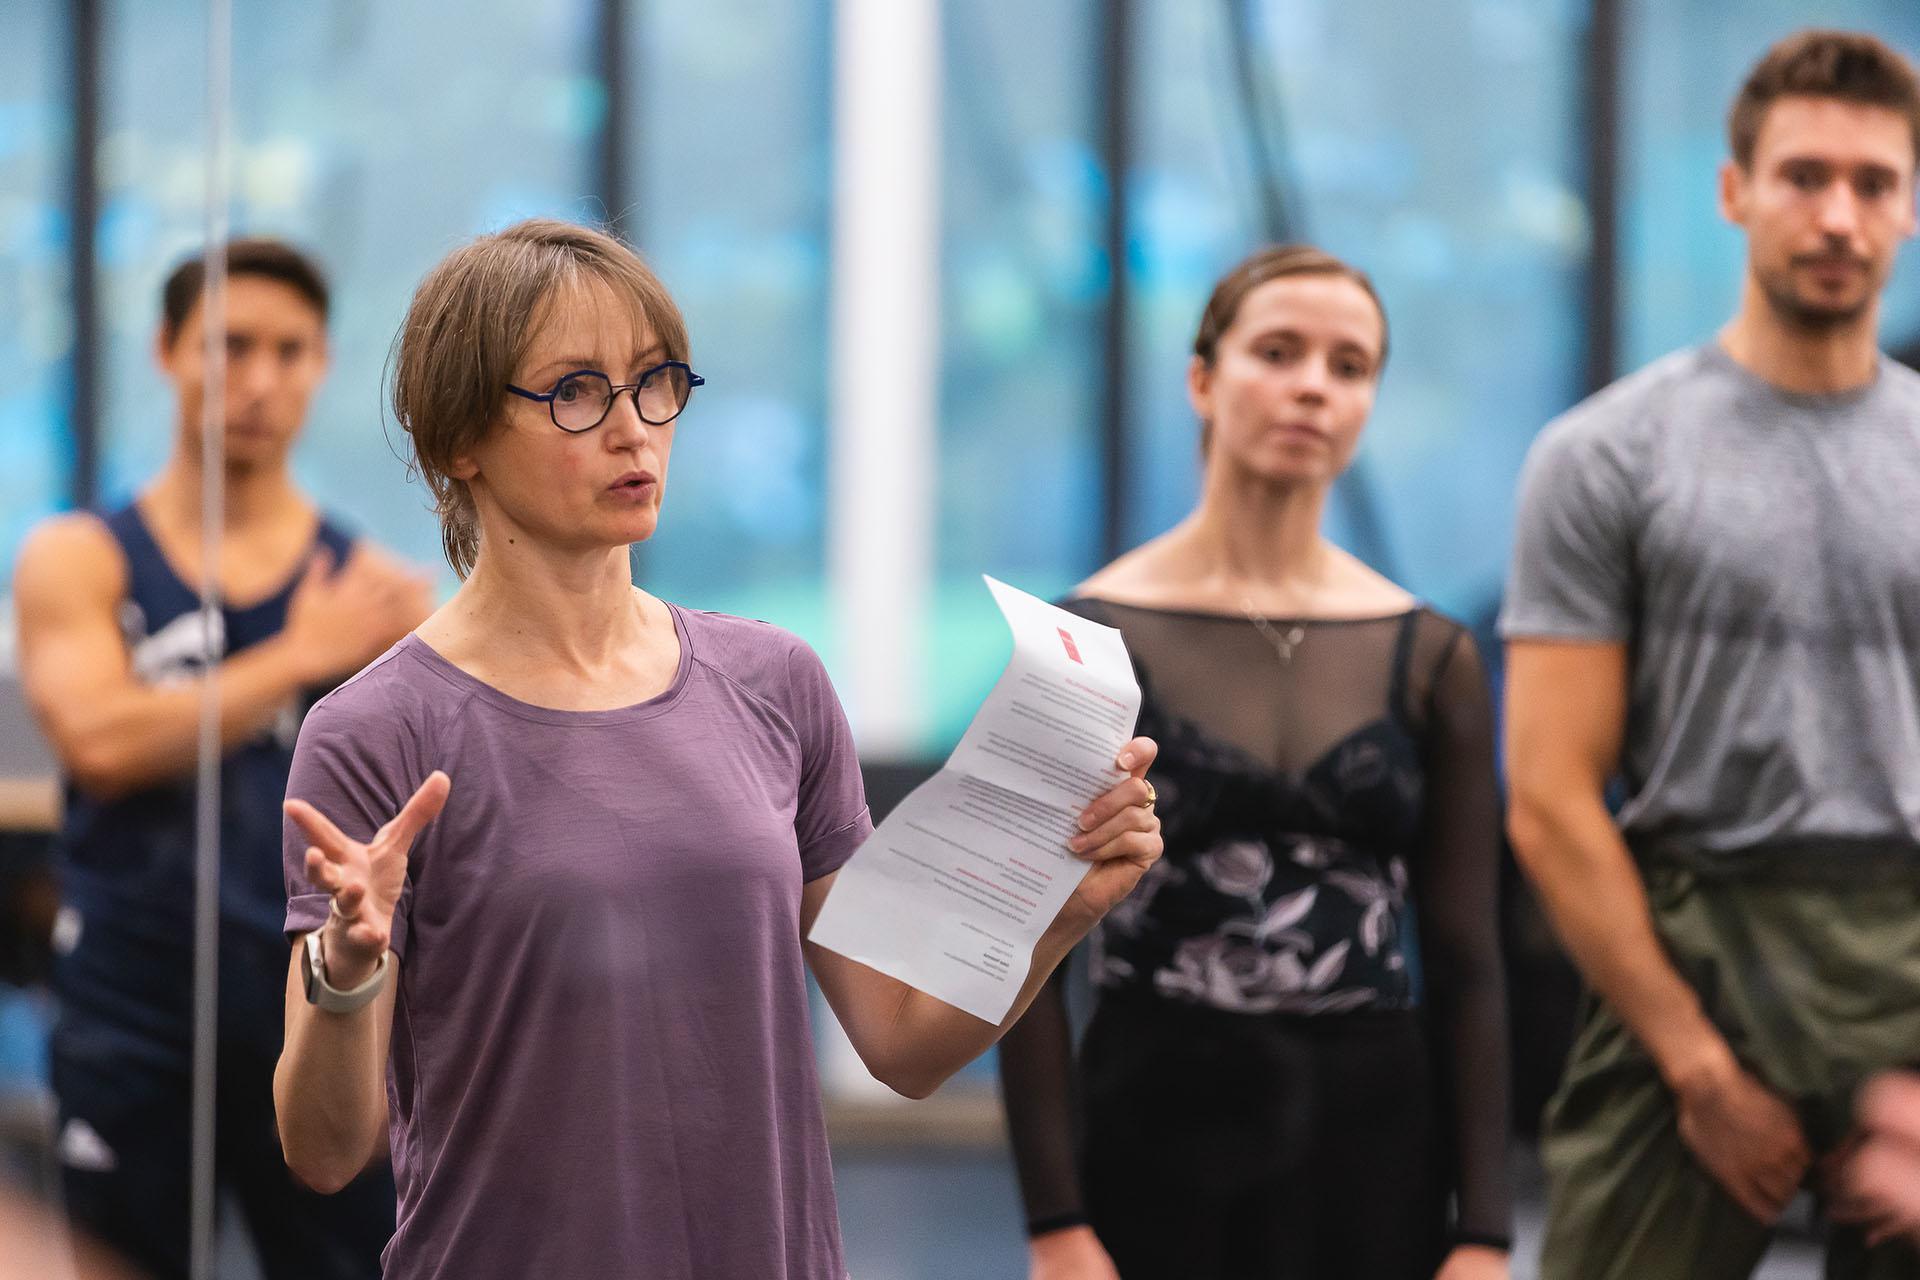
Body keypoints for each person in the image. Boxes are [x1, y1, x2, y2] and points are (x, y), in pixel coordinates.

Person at [268, 217, 1164, 1280]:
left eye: (657, 383)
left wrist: (1058, 906)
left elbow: (901, 1037)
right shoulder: (376, 730)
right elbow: (324, 1152)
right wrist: (347, 968)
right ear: (460, 437)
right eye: (574, 392)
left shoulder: (773, 680)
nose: (634, 429)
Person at [996, 244, 1512, 1280]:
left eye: (1349, 364)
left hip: (1374, 1140)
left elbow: (1466, 955)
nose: (1313, 385)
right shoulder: (1087, 636)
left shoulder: (1432, 653)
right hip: (1152, 1124)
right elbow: (1022, 947)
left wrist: (1486, 1233)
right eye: (1278, 350)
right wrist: (1054, 1220)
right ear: (1202, 378)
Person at [1502, 29, 1920, 1280]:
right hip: (1690, 945)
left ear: (1911, 205)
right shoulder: (1607, 455)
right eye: (1802, 176)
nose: (1838, 214)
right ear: (1736, 192)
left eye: (1874, 182)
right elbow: (1552, 798)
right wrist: (1696, 1066)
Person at [12, 240, 429, 1278]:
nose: (258, 379)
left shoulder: (375, 591)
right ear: (166, 351)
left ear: (322, 363)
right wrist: (296, 656)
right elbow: (101, 740)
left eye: (288, 350)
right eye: (228, 344)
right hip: (129, 1009)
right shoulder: (81, 555)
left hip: (313, 1010)